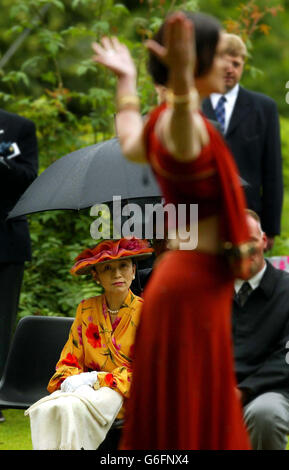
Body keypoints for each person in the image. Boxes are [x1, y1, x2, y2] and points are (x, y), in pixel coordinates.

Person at [92, 12, 258, 449]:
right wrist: (183, 80)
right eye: (219, 53)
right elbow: (183, 117)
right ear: (193, 59)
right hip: (191, 286)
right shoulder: (185, 125)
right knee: (192, 415)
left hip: (185, 281)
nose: (228, 63)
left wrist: (126, 80)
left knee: (184, 412)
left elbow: (128, 139)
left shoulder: (163, 119)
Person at [25, 237, 153, 450]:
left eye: (123, 266)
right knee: (49, 409)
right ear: (96, 276)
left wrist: (96, 378)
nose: (117, 274)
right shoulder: (86, 309)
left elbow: (149, 374)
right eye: (107, 268)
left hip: (128, 395)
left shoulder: (149, 312)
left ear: (133, 270)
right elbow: (68, 361)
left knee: (71, 408)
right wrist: (71, 381)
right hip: (88, 392)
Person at [202, 33, 283, 250]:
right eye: (224, 63)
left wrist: (270, 228)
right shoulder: (195, 106)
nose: (230, 69)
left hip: (248, 217)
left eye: (236, 64)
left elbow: (272, 172)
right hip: (203, 219)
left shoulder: (264, 108)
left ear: (243, 65)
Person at [233, 209, 289, 450]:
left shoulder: (286, 290)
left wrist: (244, 390)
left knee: (266, 415)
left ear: (264, 241)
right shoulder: (211, 293)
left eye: (251, 241)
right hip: (218, 390)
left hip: (269, 390)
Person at [0, 109, 38, 423]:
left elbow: (28, 177)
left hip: (6, 241)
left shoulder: (19, 127)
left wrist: (2, 162)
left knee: (0, 324)